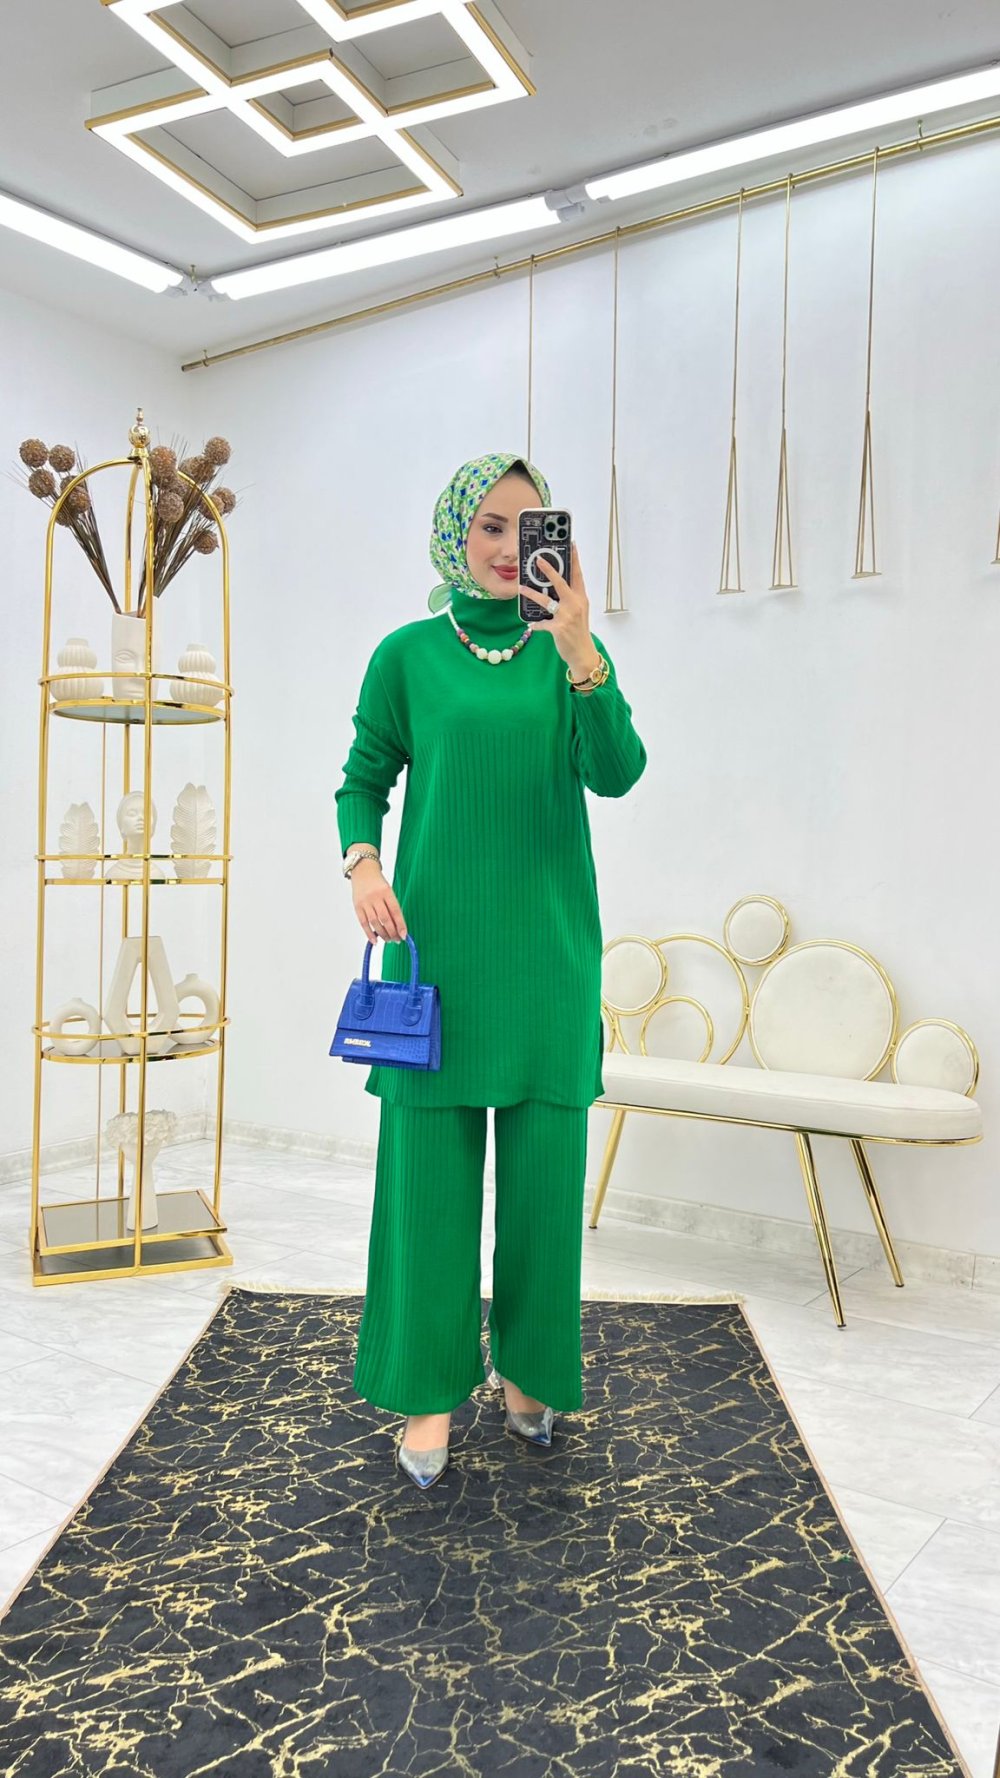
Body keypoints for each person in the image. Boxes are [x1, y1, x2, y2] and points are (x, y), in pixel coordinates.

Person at [335, 453, 647, 1488]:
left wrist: (580, 648)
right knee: (427, 1189)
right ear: (455, 535)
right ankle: (428, 1394)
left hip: (548, 958)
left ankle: (529, 1371)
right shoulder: (408, 655)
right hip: (437, 962)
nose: (513, 548)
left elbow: (618, 772)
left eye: (531, 526)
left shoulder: (570, 653)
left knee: (544, 1191)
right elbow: (362, 777)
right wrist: (363, 862)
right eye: (492, 528)